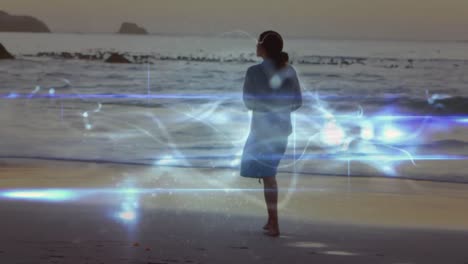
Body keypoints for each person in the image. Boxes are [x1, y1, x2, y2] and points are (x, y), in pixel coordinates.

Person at [240, 30, 302, 237]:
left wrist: (264, 107)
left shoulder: (253, 72)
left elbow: (248, 103)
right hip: (282, 130)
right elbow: (298, 102)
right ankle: (271, 220)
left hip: (260, 132)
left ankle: (274, 223)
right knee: (269, 175)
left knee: (268, 177)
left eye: (258, 43)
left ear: (264, 48)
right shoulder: (290, 71)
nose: (255, 46)